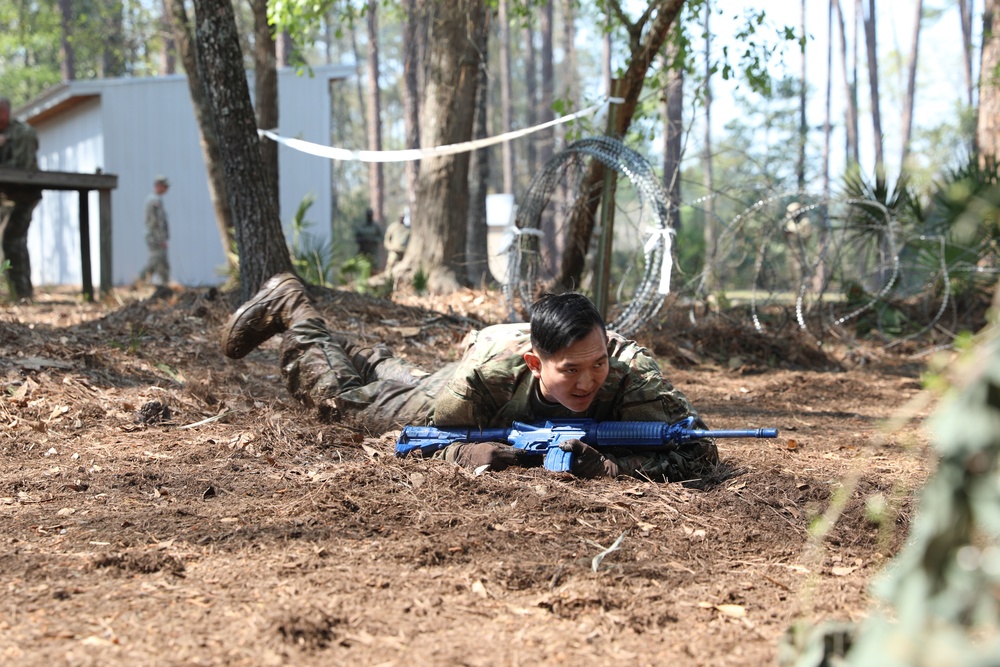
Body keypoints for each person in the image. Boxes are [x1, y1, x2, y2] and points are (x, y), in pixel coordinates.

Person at [220, 273, 719, 482]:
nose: (589, 382)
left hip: (466, 386)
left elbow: (701, 449)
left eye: (597, 364)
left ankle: (353, 349)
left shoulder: (633, 378)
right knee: (345, 405)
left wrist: (614, 470)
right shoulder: (492, 376)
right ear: (535, 364)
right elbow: (412, 439)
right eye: (570, 371)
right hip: (468, 392)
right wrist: (461, 451)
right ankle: (296, 308)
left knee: (406, 383)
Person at [0, 95, 42, 300]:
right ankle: (20, 292)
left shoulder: (22, 133)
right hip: (6, 196)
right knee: (14, 240)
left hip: (23, 194)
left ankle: (22, 293)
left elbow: (21, 170)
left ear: (4, 113)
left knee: (12, 239)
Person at [138, 175, 170, 285]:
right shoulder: (154, 201)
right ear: (159, 186)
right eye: (165, 186)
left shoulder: (156, 200)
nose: (167, 189)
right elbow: (157, 223)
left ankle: (164, 286)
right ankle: (139, 282)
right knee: (155, 262)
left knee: (162, 263)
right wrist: (162, 240)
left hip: (155, 236)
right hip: (155, 237)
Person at [383, 211, 410, 275]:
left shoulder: (407, 229)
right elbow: (386, 240)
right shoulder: (392, 227)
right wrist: (391, 247)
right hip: (394, 252)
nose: (402, 218)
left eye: (403, 217)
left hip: (404, 252)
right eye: (401, 217)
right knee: (390, 266)